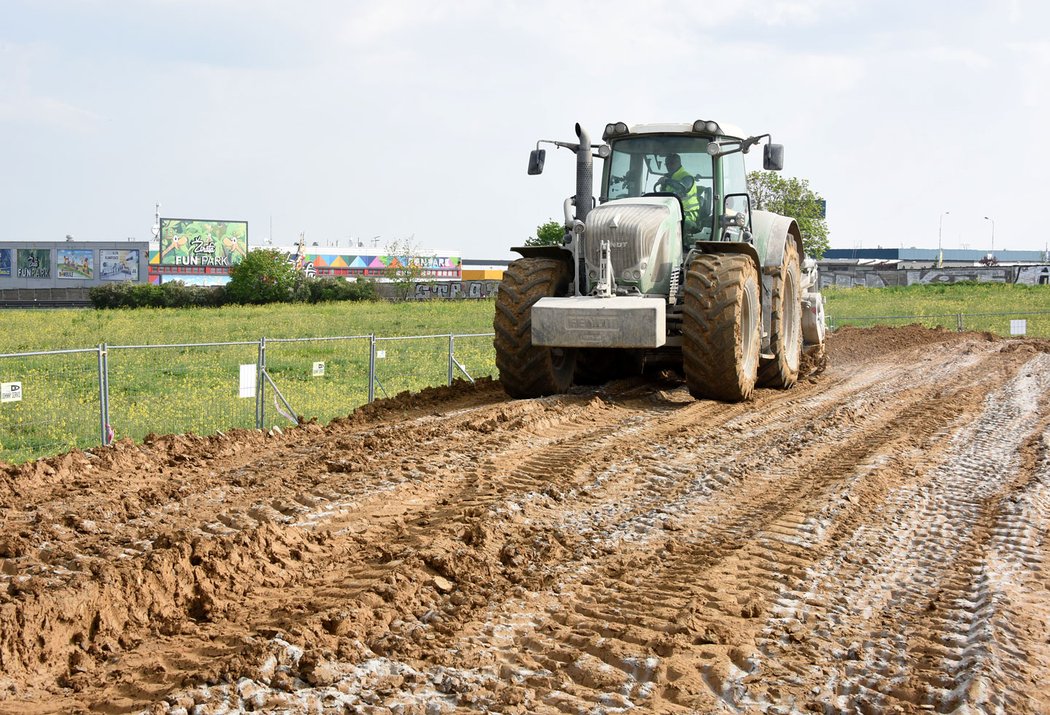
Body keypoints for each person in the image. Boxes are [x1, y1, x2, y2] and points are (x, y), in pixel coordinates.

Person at [658, 153, 700, 225]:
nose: (669, 166)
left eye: (672, 163)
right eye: (667, 164)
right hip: (670, 213)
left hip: (687, 215)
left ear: (679, 163)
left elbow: (682, 187)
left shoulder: (688, 177)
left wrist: (666, 180)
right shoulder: (669, 178)